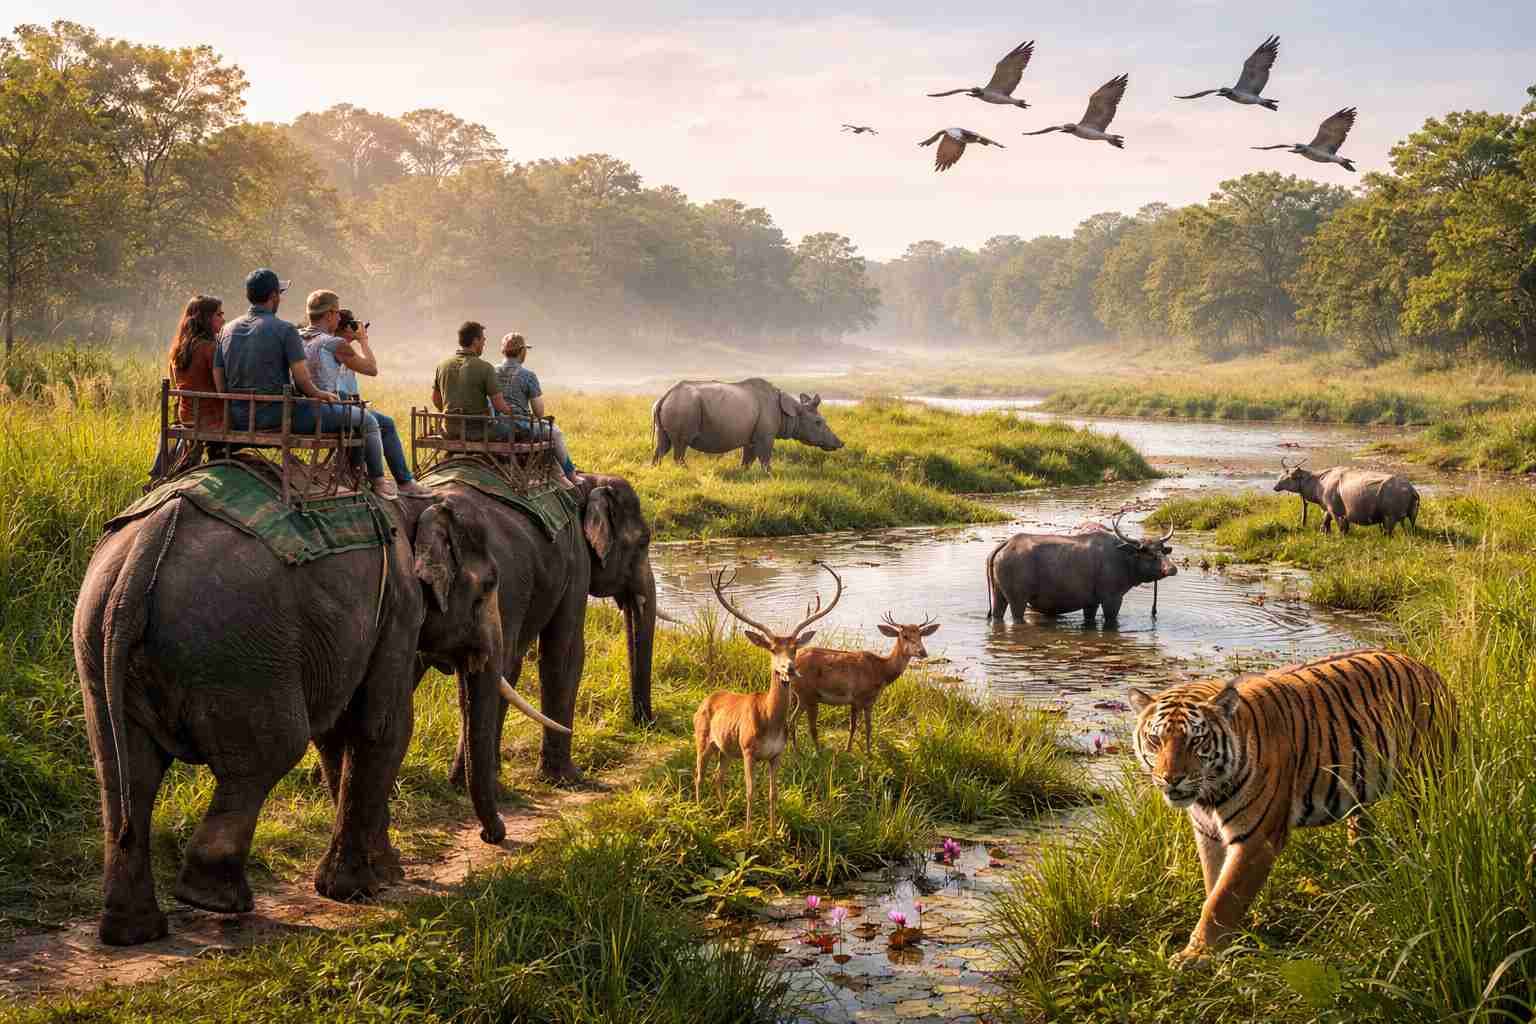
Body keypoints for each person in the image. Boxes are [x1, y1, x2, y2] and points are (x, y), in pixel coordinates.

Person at [213, 269, 397, 499]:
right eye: (279, 293)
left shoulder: (225, 331)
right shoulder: (285, 329)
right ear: (274, 296)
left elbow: (219, 382)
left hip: (238, 417)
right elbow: (302, 381)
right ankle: (379, 481)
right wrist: (321, 394)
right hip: (278, 416)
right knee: (367, 420)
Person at [300, 293, 431, 497]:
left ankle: (367, 473)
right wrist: (363, 340)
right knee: (375, 421)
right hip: (326, 406)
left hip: (302, 405)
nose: (338, 319)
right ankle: (382, 480)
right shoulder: (334, 343)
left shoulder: (297, 337)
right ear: (330, 315)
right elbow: (371, 369)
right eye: (337, 314)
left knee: (379, 420)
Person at [494, 332, 578, 482]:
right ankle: (571, 474)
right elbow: (539, 412)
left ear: (503, 351)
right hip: (519, 426)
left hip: (495, 425)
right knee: (556, 433)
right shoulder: (528, 375)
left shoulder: (491, 371)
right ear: (522, 352)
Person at [432, 321, 514, 438]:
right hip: (478, 431)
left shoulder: (442, 366)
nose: (484, 344)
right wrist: (512, 412)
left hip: (449, 429)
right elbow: (498, 404)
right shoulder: (486, 368)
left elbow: (436, 400)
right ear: (475, 341)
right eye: (483, 340)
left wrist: (451, 413)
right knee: (511, 429)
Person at [167, 295, 226, 429]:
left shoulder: (177, 349)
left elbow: (176, 385)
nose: (223, 320)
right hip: (211, 419)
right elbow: (221, 388)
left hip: (185, 416)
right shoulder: (211, 348)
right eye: (219, 315)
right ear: (205, 319)